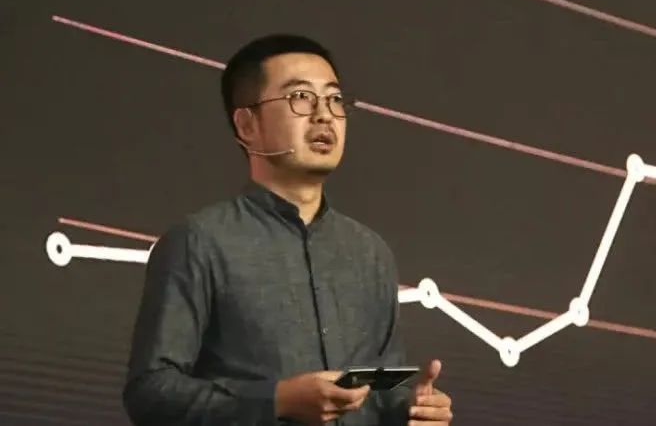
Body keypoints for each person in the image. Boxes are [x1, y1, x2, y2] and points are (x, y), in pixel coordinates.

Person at [123, 35, 454, 425]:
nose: (324, 115)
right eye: (300, 97)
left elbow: (381, 390)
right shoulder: (199, 242)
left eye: (334, 99)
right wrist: (276, 401)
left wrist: (411, 409)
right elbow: (151, 393)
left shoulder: (370, 253)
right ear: (247, 125)